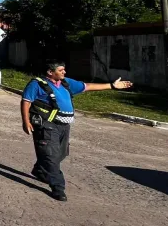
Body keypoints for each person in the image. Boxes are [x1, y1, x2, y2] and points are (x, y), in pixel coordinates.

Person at [21, 61, 132, 202]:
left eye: (64, 70)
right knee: (50, 156)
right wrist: (26, 122)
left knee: (60, 154)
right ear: (50, 72)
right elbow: (26, 101)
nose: (64, 72)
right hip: (47, 125)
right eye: (61, 70)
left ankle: (41, 170)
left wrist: (112, 86)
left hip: (64, 126)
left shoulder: (66, 83)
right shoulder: (37, 84)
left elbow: (88, 86)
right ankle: (58, 187)